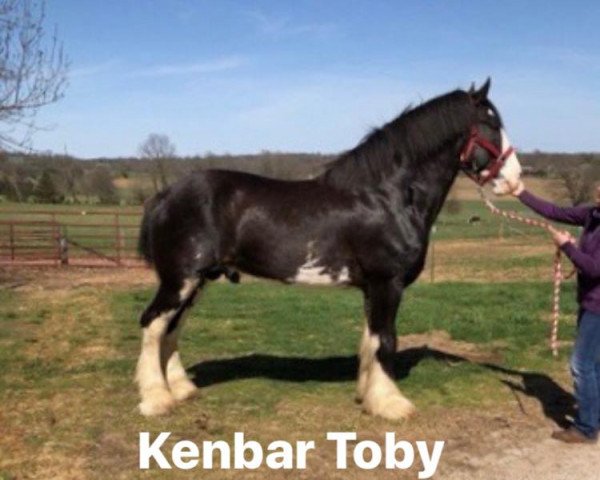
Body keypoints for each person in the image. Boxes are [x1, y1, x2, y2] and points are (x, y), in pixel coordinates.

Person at [510, 180, 600, 444]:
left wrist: (567, 246)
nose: (598, 189)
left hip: (598, 305)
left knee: (581, 365)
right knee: (593, 364)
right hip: (591, 301)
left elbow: (594, 268)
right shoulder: (592, 214)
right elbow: (555, 212)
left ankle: (585, 428)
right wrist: (520, 193)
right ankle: (593, 416)